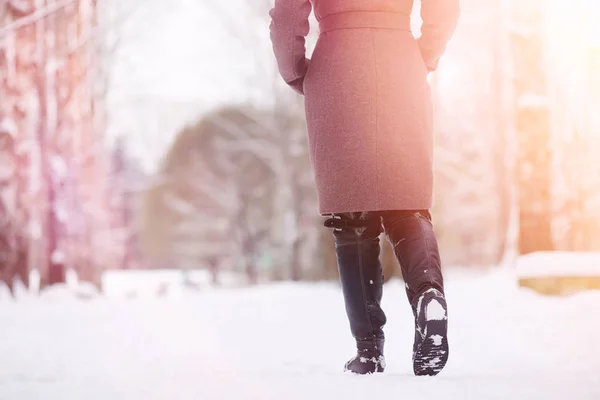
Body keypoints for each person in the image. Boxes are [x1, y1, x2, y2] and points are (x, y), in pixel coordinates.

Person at [269, 0, 460, 376]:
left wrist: (296, 72)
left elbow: (287, 16)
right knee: (408, 203)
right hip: (401, 63)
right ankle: (428, 294)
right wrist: (424, 54)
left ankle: (369, 350)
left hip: (337, 68)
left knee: (352, 216)